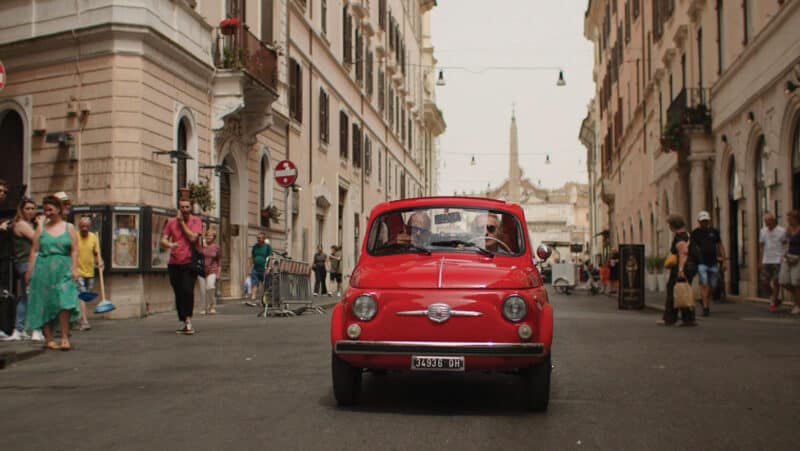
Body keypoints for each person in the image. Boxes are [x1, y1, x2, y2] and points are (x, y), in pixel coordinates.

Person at [25, 195, 80, 350]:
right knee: (44, 302)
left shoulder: (68, 227)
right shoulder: (41, 228)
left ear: (58, 209)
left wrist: (75, 268)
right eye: (45, 209)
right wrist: (29, 271)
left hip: (63, 267)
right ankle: (49, 338)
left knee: (65, 302)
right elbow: (35, 250)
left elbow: (75, 250)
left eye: (50, 209)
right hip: (43, 267)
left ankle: (64, 336)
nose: (47, 213)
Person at [160, 199, 202, 335]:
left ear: (191, 208)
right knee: (178, 293)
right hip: (174, 263)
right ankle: (184, 321)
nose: (185, 209)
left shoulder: (196, 221)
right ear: (179, 208)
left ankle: (188, 320)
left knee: (187, 290)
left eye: (187, 207)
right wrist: (170, 245)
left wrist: (182, 223)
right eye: (182, 207)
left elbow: (193, 238)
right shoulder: (171, 222)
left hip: (189, 262)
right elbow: (163, 239)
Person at [2, 198, 37, 341]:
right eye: (27, 208)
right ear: (21, 210)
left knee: (25, 297)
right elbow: (37, 239)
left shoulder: (26, 223)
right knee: (29, 297)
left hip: (25, 263)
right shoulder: (22, 224)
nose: (30, 211)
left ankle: (20, 328)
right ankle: (22, 328)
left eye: (33, 208)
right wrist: (41, 225)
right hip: (26, 263)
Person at [658, 214, 697, 326]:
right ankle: (687, 318)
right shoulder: (687, 234)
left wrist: (680, 269)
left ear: (673, 225)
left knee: (673, 290)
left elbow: (683, 253)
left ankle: (670, 318)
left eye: (669, 224)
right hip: (690, 267)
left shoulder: (680, 237)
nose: (669, 227)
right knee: (683, 290)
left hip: (682, 267)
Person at [690, 210, 727, 317]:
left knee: (713, 285)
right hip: (701, 263)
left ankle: (704, 298)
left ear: (709, 221)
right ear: (699, 221)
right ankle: (706, 308)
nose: (704, 223)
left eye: (706, 221)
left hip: (713, 262)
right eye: (702, 221)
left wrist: (724, 260)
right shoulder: (696, 233)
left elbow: (720, 246)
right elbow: (693, 247)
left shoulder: (714, 232)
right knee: (704, 285)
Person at [76, 216, 103, 331]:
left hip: (90, 271)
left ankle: (77, 317)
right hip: (78, 271)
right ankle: (84, 320)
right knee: (82, 295)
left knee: (85, 295)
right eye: (82, 226)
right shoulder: (75, 237)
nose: (84, 228)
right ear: (79, 226)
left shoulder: (93, 237)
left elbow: (97, 253)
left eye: (87, 226)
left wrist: (100, 262)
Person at [759, 212, 786, 312]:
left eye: (769, 221)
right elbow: (761, 247)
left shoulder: (782, 231)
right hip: (766, 259)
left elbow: (785, 244)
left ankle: (773, 302)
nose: (767, 223)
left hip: (778, 259)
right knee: (764, 282)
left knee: (776, 282)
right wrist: (760, 260)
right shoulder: (763, 231)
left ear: (773, 220)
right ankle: (775, 298)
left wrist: (784, 256)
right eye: (765, 221)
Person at [778, 210, 800, 315]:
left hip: (798, 258)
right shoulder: (788, 229)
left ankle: (797, 305)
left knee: (795, 283)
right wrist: (783, 254)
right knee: (783, 281)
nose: (788, 220)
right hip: (788, 256)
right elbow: (782, 241)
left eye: (790, 218)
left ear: (795, 219)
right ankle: (797, 298)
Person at [246, 232, 272, 306]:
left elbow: (270, 258)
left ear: (263, 239)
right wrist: (250, 268)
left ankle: (264, 300)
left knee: (265, 286)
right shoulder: (255, 247)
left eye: (260, 238)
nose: (258, 239)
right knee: (255, 284)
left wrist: (268, 268)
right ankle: (253, 299)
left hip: (264, 269)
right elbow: (252, 258)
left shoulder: (267, 247)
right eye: (257, 238)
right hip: (255, 269)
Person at [199, 228, 221, 315]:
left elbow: (219, 260)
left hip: (212, 269)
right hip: (201, 269)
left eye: (210, 236)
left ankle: (211, 305)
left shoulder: (216, 247)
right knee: (202, 290)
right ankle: (203, 308)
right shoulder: (201, 246)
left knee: (210, 287)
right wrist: (202, 247)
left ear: (214, 237)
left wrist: (218, 273)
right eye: (207, 235)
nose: (208, 237)